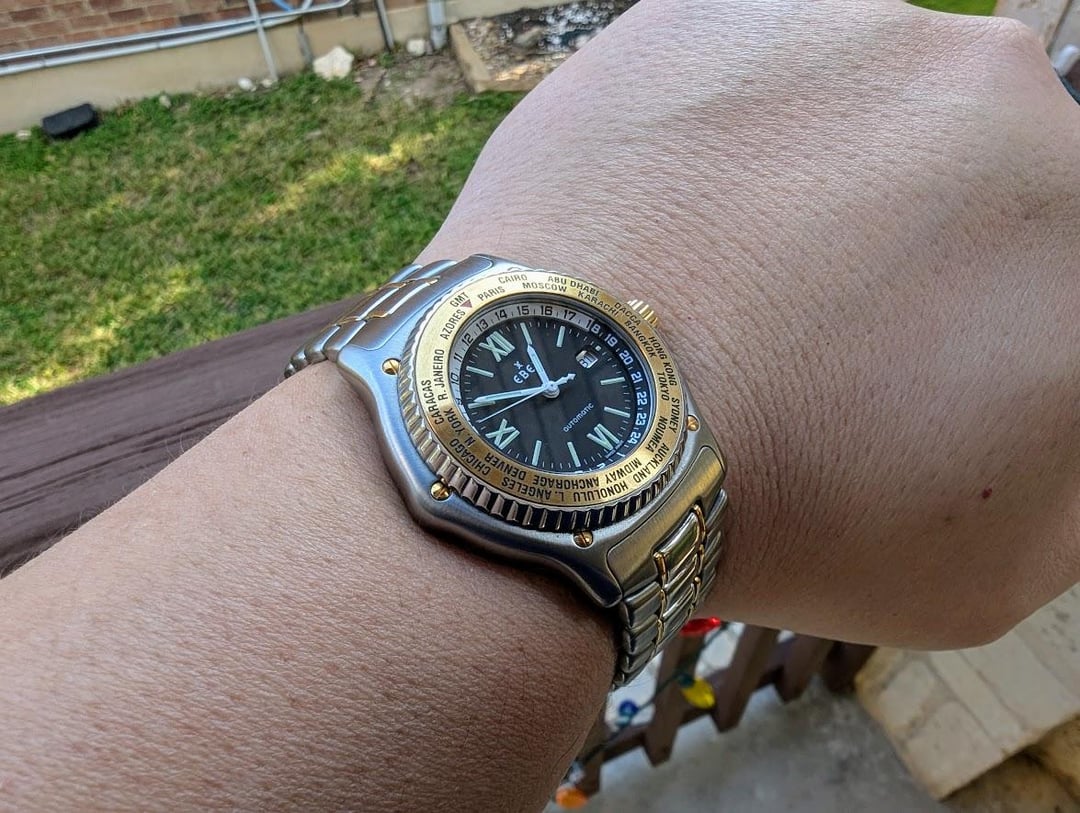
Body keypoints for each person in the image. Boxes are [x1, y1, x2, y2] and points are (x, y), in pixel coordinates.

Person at [2, 0, 1078, 809]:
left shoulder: (598, 392)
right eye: (539, 378)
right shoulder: (427, 357)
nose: (555, 382)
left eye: (559, 377)